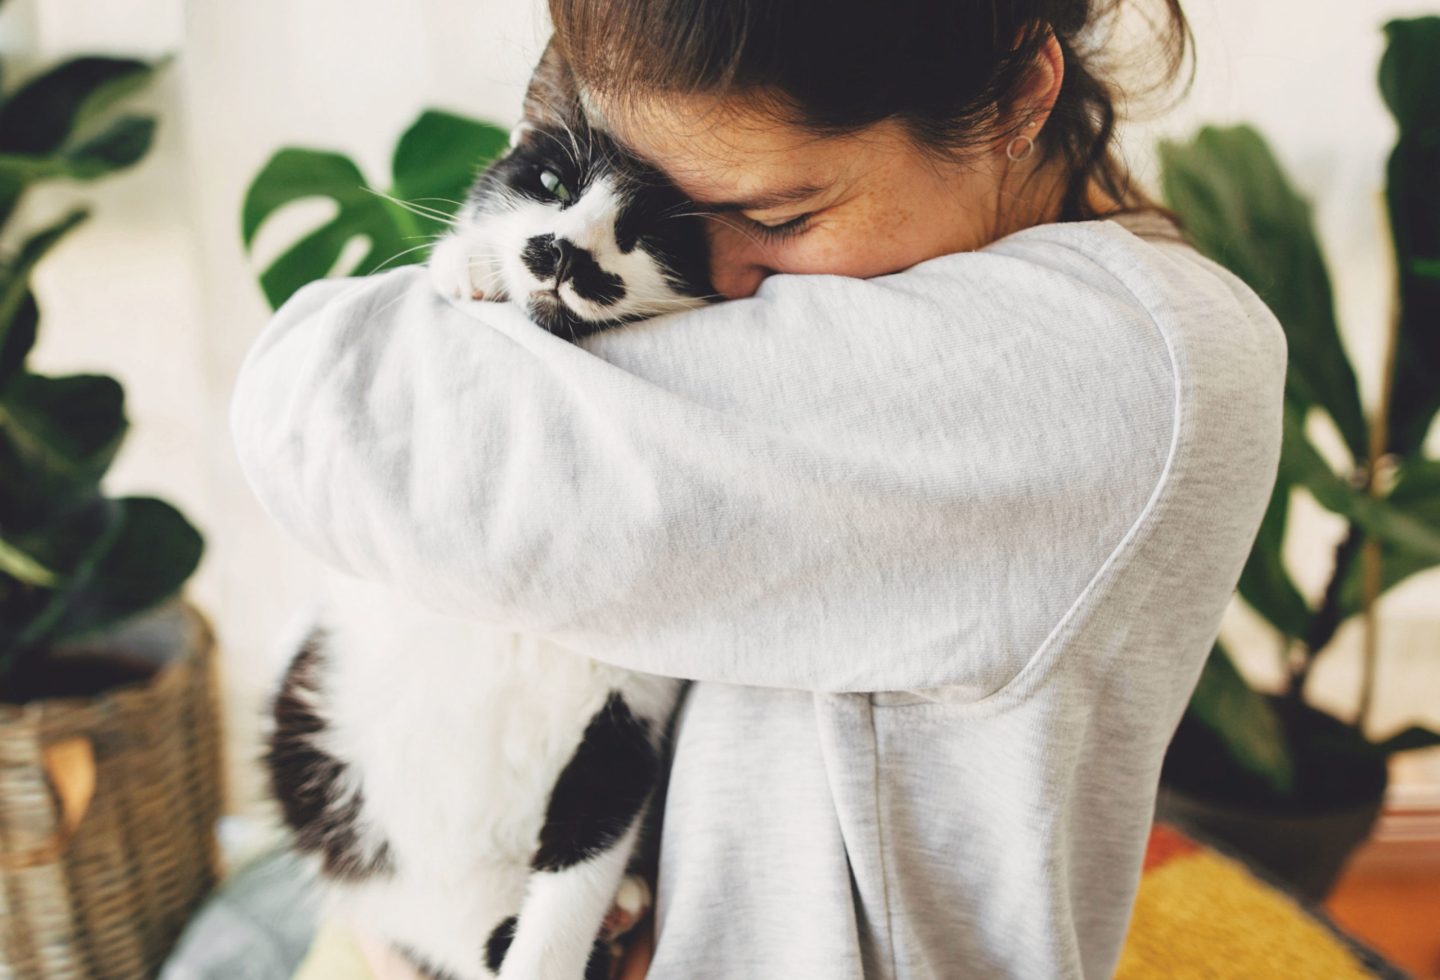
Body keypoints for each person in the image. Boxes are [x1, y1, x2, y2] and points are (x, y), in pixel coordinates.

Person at [233, 0, 1287, 977]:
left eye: (778, 216)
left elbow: (322, 411)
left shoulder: (1104, 367)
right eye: (666, 211)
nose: (710, 280)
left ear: (1017, 96)